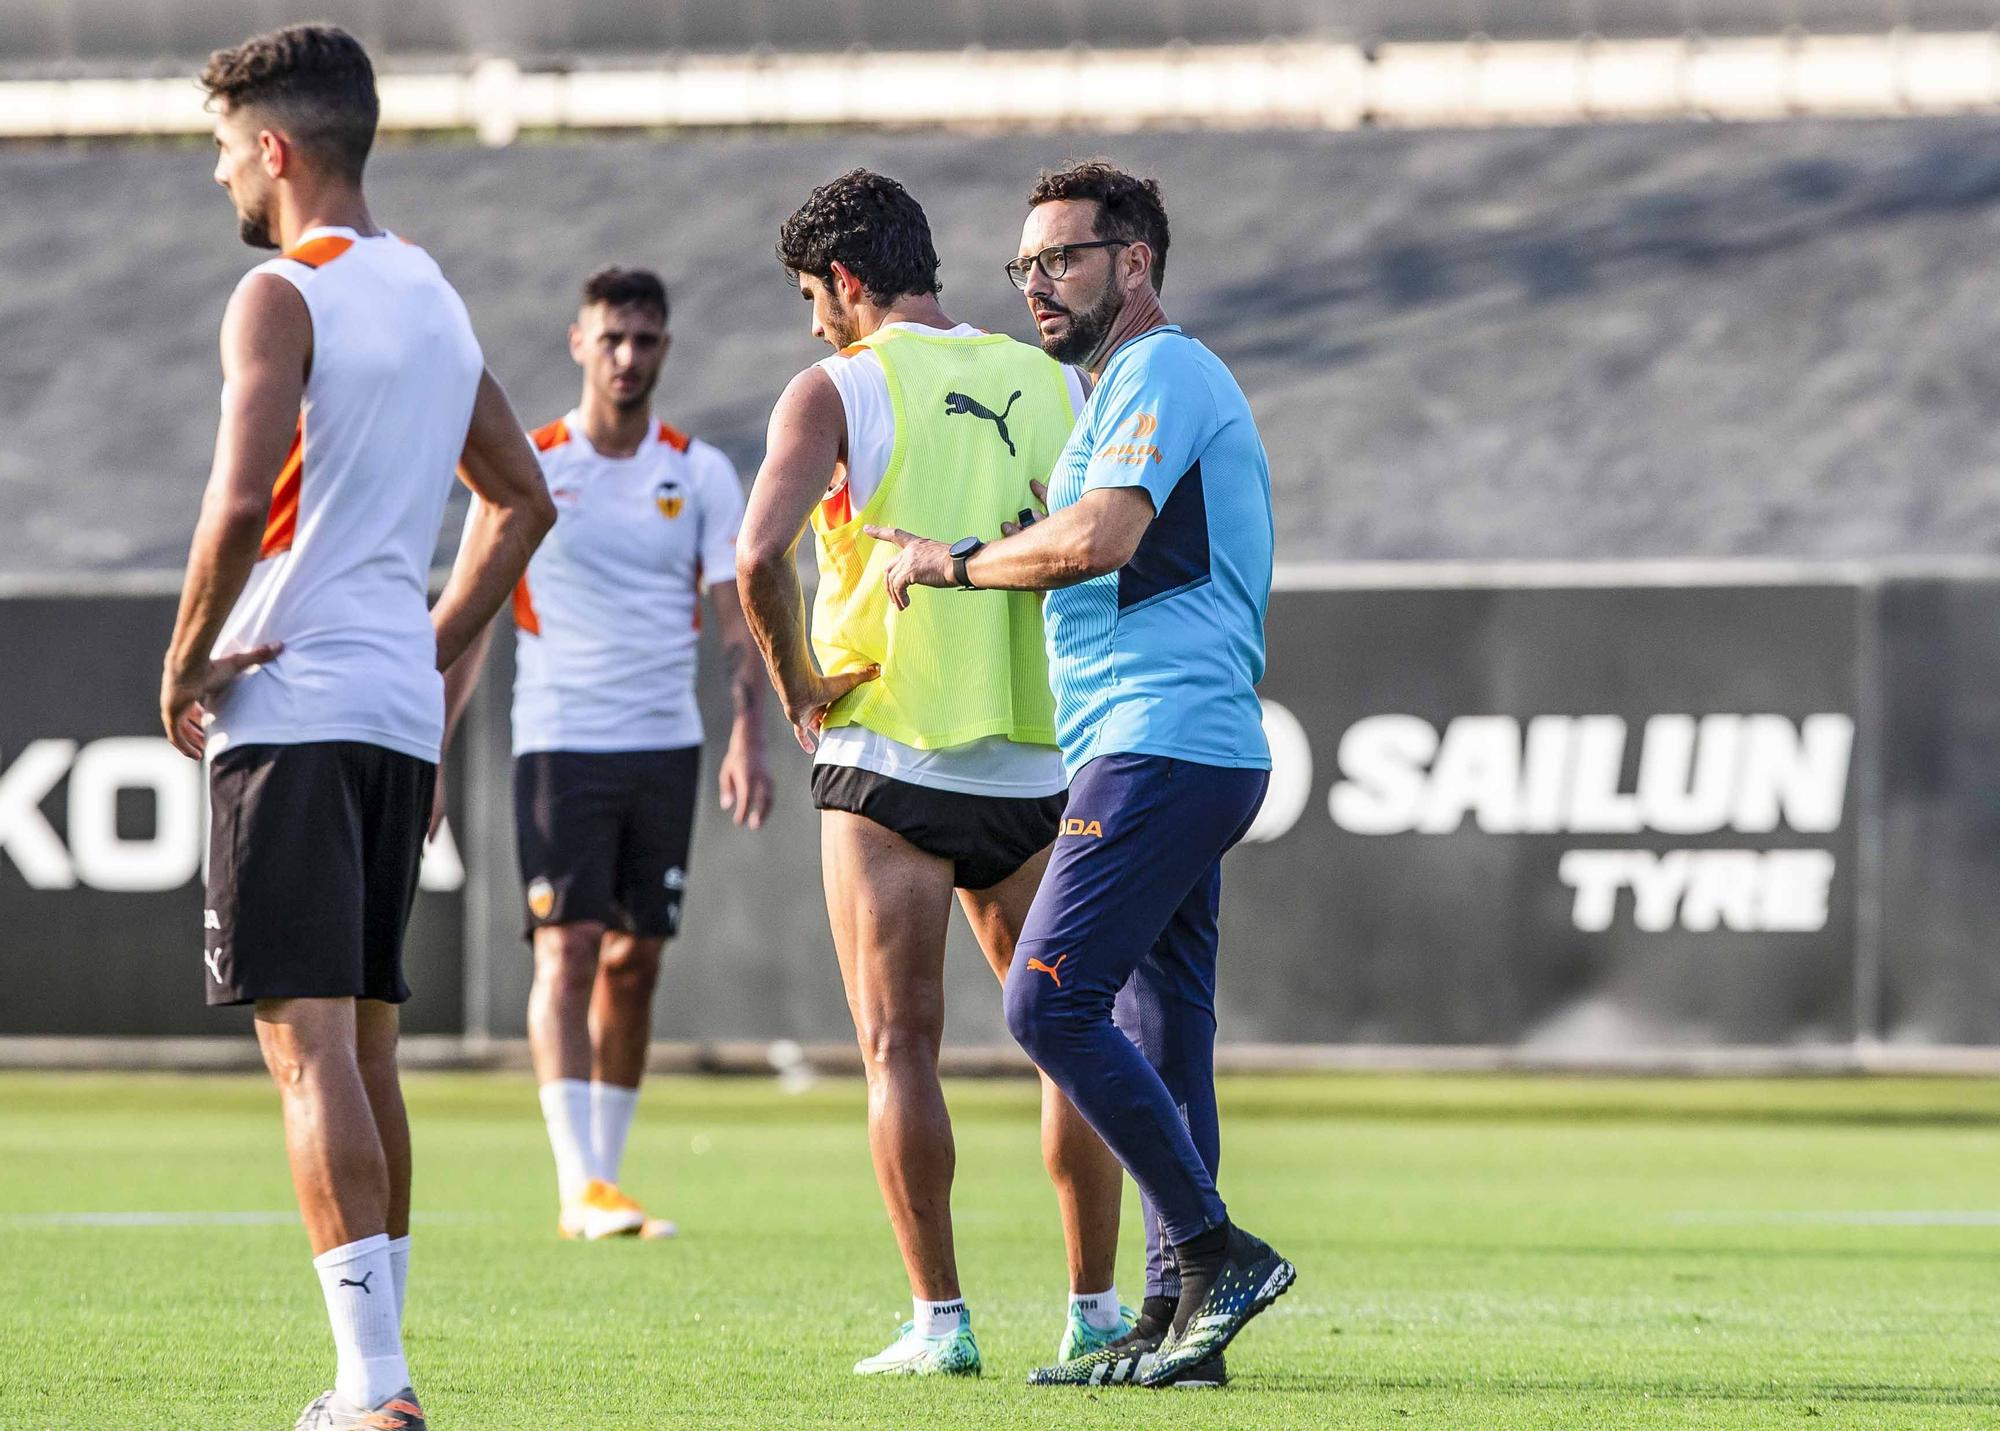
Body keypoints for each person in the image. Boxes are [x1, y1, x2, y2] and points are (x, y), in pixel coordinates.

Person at [160, 24, 554, 1431]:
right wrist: (434, 656)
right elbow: (524, 501)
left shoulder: (283, 295)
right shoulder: (436, 297)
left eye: (223, 149)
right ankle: (378, 1370)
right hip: (387, 711)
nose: (220, 175)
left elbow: (230, 501)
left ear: (274, 147)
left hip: (295, 694)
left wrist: (184, 657)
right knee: (368, 1043)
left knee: (306, 1042)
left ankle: (374, 1387)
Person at [871, 160, 1294, 1388]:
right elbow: (1086, 540)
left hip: (1163, 740)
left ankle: (1215, 1252)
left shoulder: (1164, 367)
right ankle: (1176, 1322)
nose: (1036, 283)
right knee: (1163, 1030)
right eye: (1023, 265)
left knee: (1045, 1000)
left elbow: (1100, 539)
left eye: (1061, 257)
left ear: (1136, 264)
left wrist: (952, 562)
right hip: (1151, 739)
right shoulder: (1105, 390)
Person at [736, 169, 1129, 1376]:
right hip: (1032, 759)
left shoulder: (837, 385)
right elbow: (1087, 545)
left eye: (816, 295)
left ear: (848, 283)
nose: (813, 320)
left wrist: (797, 684)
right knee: (1072, 1037)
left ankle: (940, 1325)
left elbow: (756, 556)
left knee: (897, 1049)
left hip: (890, 759)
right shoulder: (1050, 376)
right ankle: (1097, 1315)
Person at [441, 266, 772, 1242]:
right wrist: (433, 750)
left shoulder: (698, 471)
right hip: (560, 740)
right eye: (611, 339)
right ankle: (576, 1181)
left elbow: (732, 617)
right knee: (569, 947)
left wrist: (750, 729)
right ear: (579, 343)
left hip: (663, 742)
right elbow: (470, 612)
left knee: (635, 961)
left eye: (645, 340)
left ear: (663, 349)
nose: (628, 357)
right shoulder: (527, 465)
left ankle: (606, 1180)